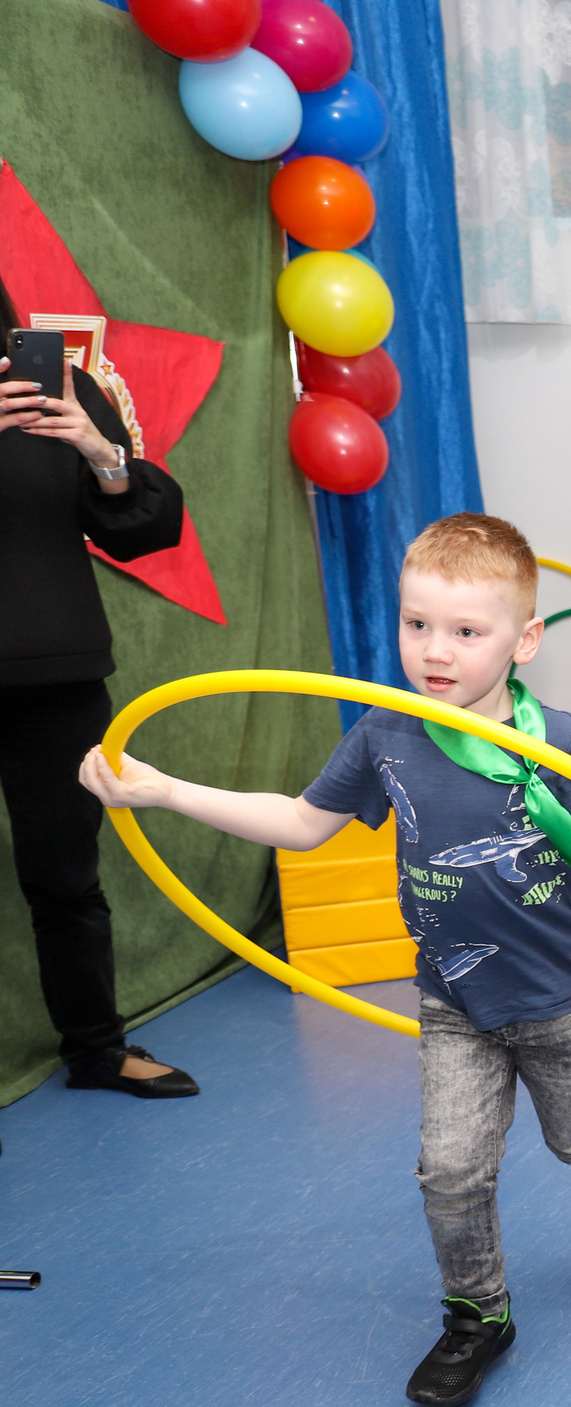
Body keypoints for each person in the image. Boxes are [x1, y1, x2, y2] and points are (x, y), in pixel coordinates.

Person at [78, 514, 571, 1407]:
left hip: (560, 995)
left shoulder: (559, 738)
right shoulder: (387, 734)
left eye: (466, 630)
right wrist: (162, 791)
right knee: (450, 1167)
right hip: (453, 997)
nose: (436, 650)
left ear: (524, 639)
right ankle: (477, 1314)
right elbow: (302, 825)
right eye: (417, 624)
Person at [0, 283, 194, 1097]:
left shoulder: (61, 388)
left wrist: (97, 448)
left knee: (66, 876)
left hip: (53, 672)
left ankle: (97, 1050)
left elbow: (138, 525)